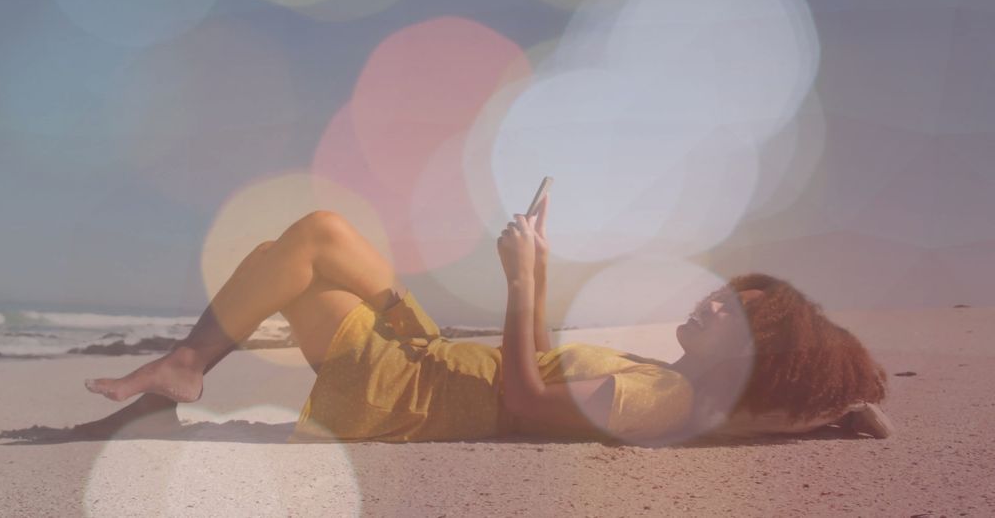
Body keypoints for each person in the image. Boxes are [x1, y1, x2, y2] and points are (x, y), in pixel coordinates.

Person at [78, 193, 891, 443]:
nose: (709, 299)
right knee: (316, 237)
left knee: (300, 252)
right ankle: (186, 364)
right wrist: (831, 419)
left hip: (407, 394)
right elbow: (537, 372)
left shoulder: (668, 403)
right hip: (436, 359)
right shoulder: (683, 389)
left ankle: (185, 364)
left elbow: (529, 402)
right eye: (724, 291)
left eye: (731, 313)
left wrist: (521, 282)